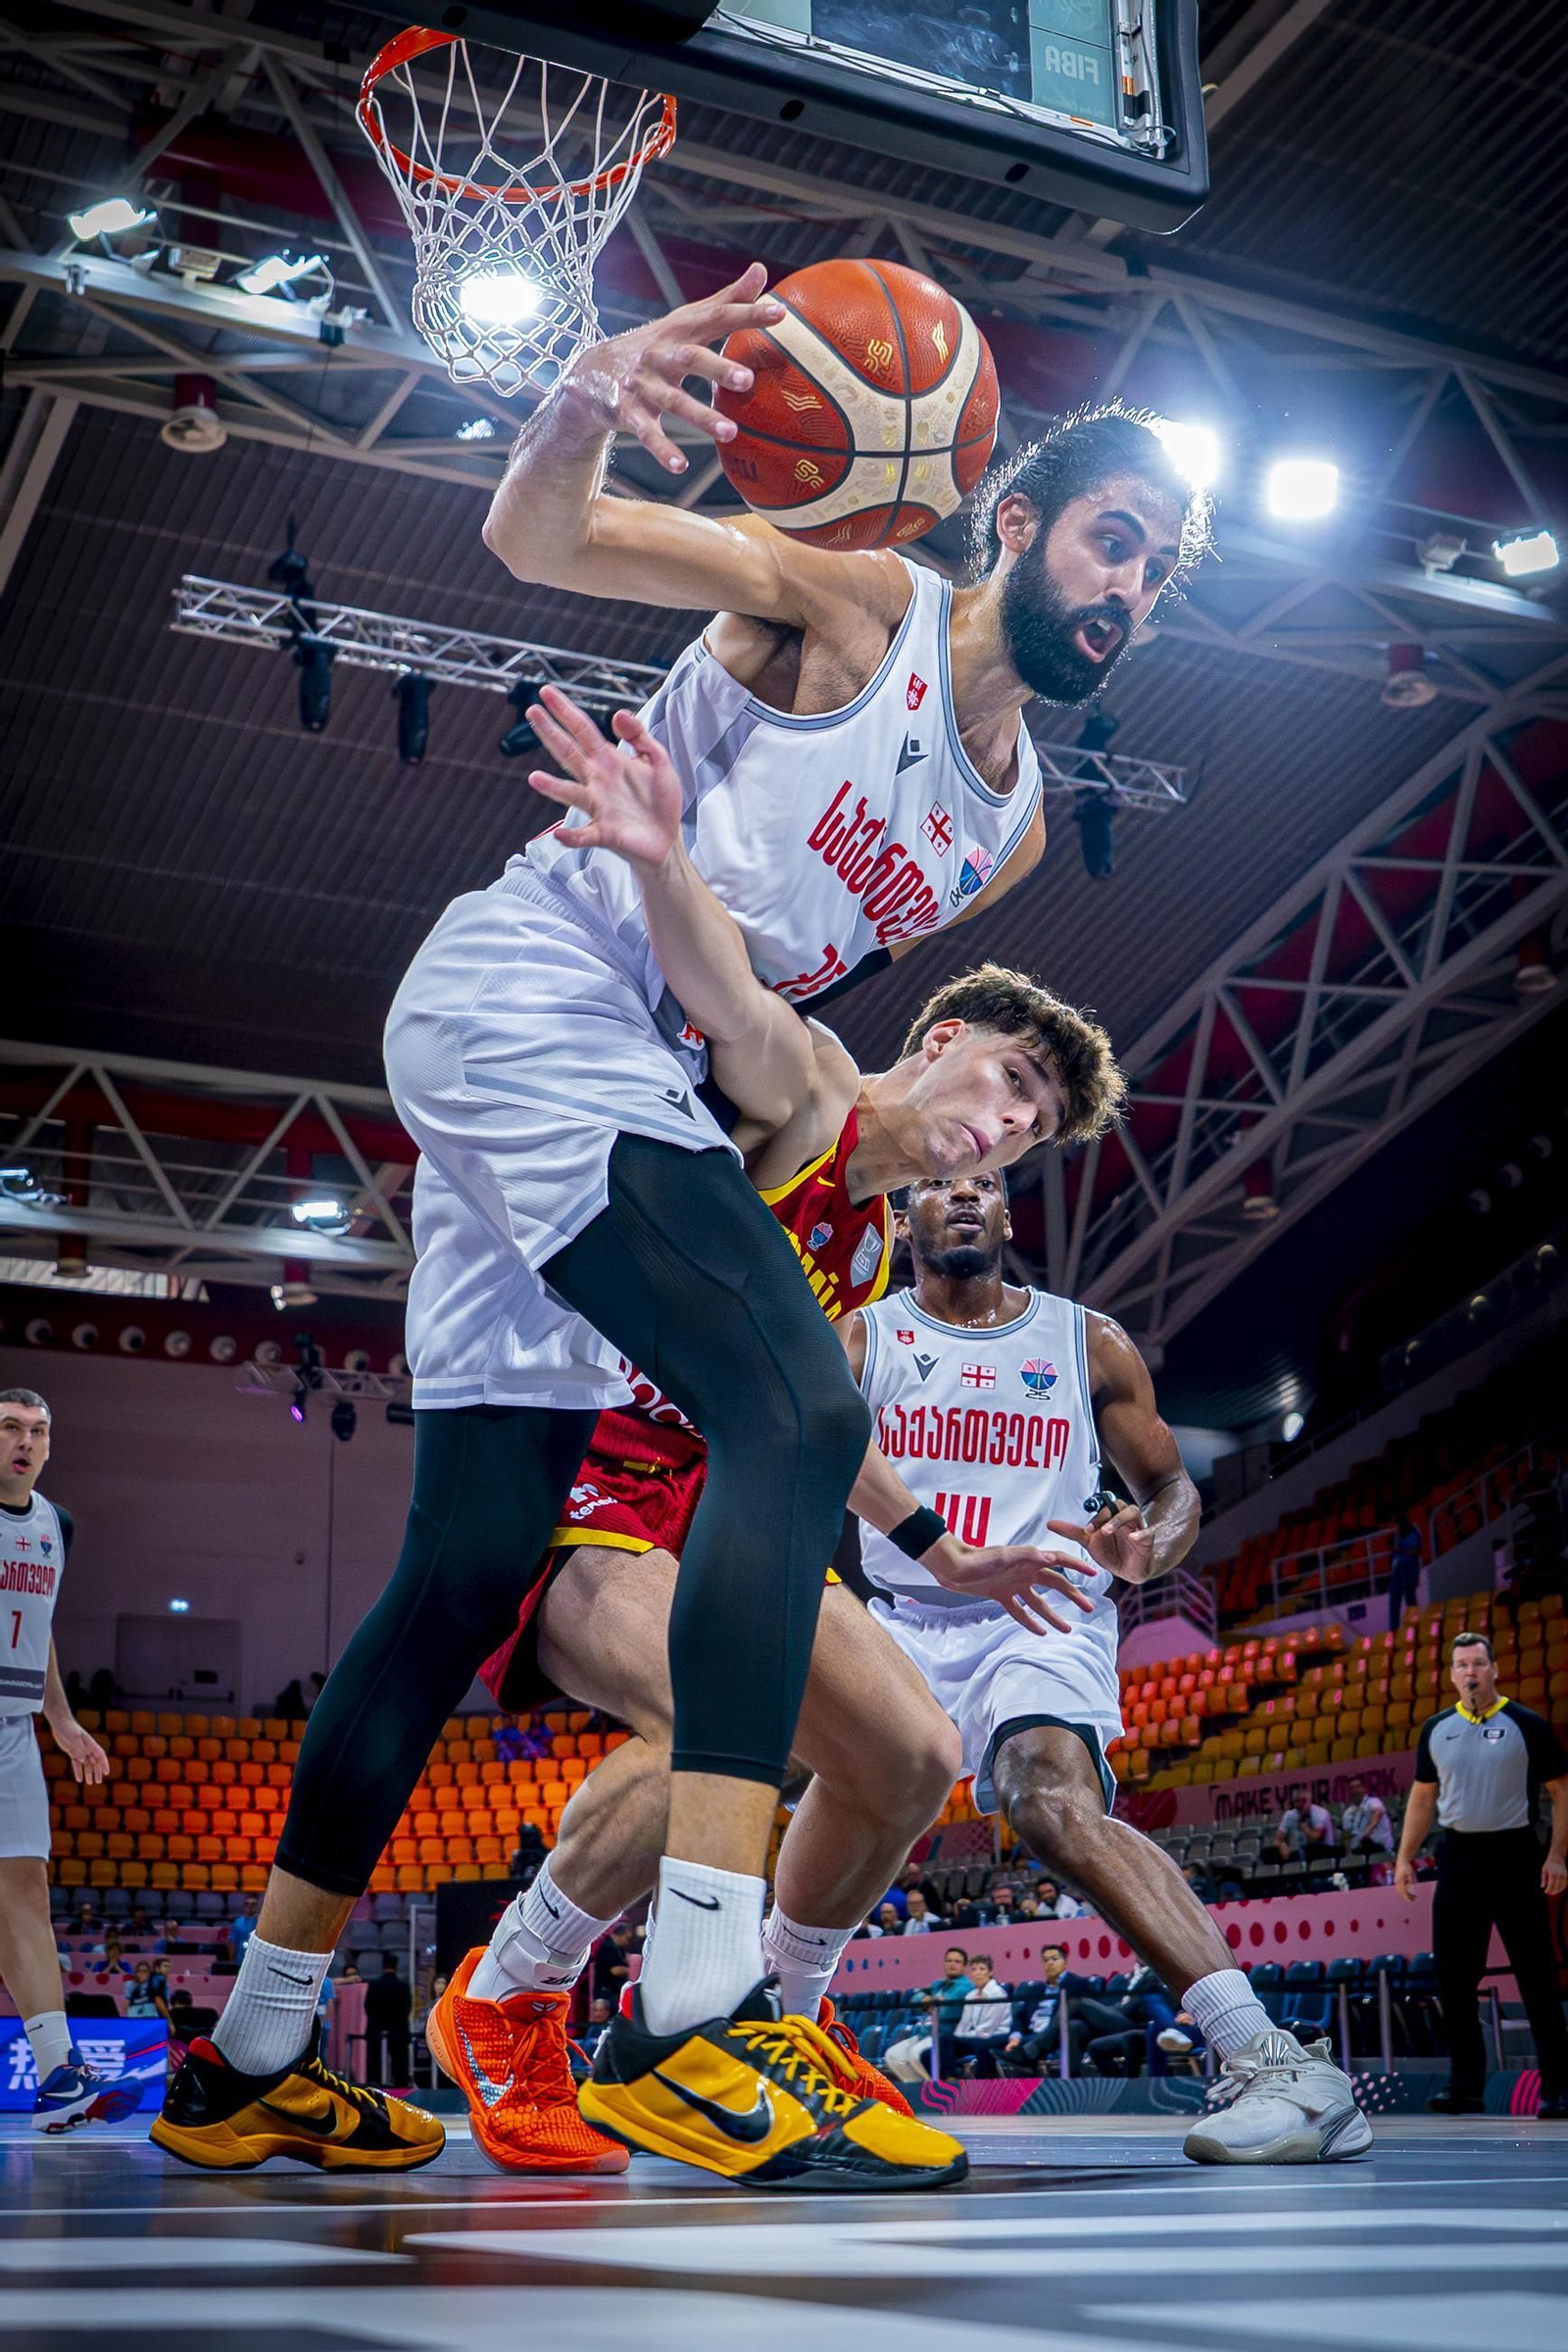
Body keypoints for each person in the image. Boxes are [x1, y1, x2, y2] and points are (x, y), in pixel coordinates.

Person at [156, 265, 1208, 2187]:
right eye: (1115, 538)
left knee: (465, 1570)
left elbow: (765, 1014)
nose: (1133, 587)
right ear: (1021, 517)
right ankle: (695, 2014)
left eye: (1165, 573)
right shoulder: (859, 596)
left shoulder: (1014, 830)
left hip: (643, 1058)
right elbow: (539, 531)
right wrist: (575, 399)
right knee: (795, 1408)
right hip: (535, 997)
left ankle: (251, 2049)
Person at [423, 701, 1120, 2171]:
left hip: (723, 1508)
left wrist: (942, 1547)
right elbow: (726, 995)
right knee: (715, 1708)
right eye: (1005, 1077)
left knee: (913, 1756)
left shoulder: (873, 1253)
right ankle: (512, 1991)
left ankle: (777, 2018)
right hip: (580, 1487)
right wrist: (665, 860)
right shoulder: (803, 1090)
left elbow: (816, 1433)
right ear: (936, 1044)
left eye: (1038, 1123)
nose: (1006, 1126)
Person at [843, 1178, 1371, 2165]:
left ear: (1006, 1220)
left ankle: (1274, 2062)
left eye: (986, 1186)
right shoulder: (863, 1341)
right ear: (899, 1218)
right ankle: (779, 2022)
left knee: (1044, 1803)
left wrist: (1149, 1552)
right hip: (906, 1616)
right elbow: (819, 1463)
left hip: (1041, 1614)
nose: (965, 1195)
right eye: (941, 1186)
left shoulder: (1087, 1340)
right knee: (782, 1788)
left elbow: (1169, 1489)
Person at [0, 1389, 140, 2135]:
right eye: (10, 1428)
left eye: (38, 1431)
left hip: (14, 1725)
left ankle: (61, 2071)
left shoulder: (58, 1524)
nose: (25, 1442)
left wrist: (61, 1718)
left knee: (26, 1890)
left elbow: (40, 1626)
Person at [1396, 1631, 1568, 2119]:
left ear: (1494, 1669)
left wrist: (1556, 1855)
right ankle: (1465, 2085)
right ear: (1451, 1675)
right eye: (1461, 1665)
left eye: (1477, 1663)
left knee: (1537, 1977)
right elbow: (1423, 1797)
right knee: (1453, 1980)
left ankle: (1559, 2087)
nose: (1470, 1672)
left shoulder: (1526, 1724)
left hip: (1515, 1854)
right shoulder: (1436, 1728)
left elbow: (1562, 1791)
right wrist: (1405, 1857)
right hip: (1458, 1857)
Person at [1000, 1945, 1098, 2074]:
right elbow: (1019, 2016)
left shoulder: (1077, 1984)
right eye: (1045, 1960)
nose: (1050, 1963)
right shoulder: (1035, 1989)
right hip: (1030, 2035)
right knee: (987, 2046)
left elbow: (1084, 2012)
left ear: (1065, 1962)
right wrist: (1015, 2037)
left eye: (1054, 1959)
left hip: (1054, 2036)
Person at [883, 1948, 975, 2081]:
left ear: (964, 1966)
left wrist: (929, 2004)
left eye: (957, 1961)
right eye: (948, 1960)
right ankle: (917, 2090)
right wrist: (924, 2000)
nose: (952, 1964)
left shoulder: (965, 1987)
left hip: (945, 2035)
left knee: (915, 2054)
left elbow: (946, 2012)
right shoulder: (938, 1985)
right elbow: (915, 1997)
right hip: (926, 2032)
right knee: (893, 2055)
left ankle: (935, 2089)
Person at [948, 1953, 1012, 2077]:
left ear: (990, 1972)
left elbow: (989, 2027)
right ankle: (951, 2079)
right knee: (943, 2042)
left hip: (994, 2035)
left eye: (982, 1969)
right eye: (974, 1969)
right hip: (974, 2037)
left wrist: (967, 2036)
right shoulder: (970, 1996)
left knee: (981, 2045)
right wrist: (961, 2036)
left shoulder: (998, 1994)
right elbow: (963, 2024)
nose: (978, 1973)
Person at [364, 1953, 413, 2088]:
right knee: (400, 2061)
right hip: (398, 2028)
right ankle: (401, 2084)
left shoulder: (374, 1986)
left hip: (376, 2028)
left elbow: (368, 2007)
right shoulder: (403, 1987)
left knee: (374, 2059)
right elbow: (407, 2008)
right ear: (396, 1967)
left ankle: (374, 2084)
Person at [1272, 1796, 1335, 1867]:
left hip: (1323, 1851)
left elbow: (1316, 1837)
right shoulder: (1289, 1815)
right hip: (1299, 1852)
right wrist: (1282, 1845)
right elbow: (1277, 1840)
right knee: (1269, 1853)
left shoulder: (1320, 1814)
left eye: (1303, 1801)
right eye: (1296, 1801)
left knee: (1309, 1849)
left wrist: (1305, 1828)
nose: (1299, 1804)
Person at [1387, 1514, 1423, 1634]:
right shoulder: (1396, 1535)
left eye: (1395, 1524)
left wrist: (1403, 1551)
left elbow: (1415, 1551)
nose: (1393, 1527)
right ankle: (1394, 1630)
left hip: (1409, 1567)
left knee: (1410, 1597)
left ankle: (1415, 1626)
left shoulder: (1413, 1532)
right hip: (1397, 1568)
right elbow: (1395, 1548)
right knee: (1394, 1599)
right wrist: (1396, 1536)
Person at [1341, 1778, 1394, 1858]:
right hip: (1358, 1852)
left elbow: (1377, 1814)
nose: (1355, 1791)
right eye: (1351, 1788)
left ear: (1364, 1788)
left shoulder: (1373, 1801)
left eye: (1358, 1787)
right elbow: (1347, 1834)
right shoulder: (1347, 1814)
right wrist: (1348, 1855)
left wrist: (1366, 1833)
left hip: (1380, 1848)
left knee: (1366, 1842)